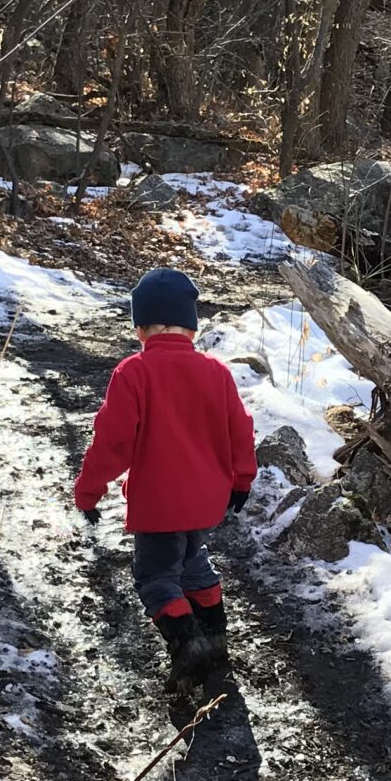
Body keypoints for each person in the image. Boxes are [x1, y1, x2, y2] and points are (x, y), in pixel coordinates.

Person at [73, 267, 257, 683]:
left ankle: (188, 647)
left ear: (141, 328)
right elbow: (241, 429)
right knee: (193, 565)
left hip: (158, 503)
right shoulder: (217, 372)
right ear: (191, 327)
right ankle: (215, 644)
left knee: (156, 578)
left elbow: (112, 443)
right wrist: (242, 480)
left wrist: (88, 491)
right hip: (206, 500)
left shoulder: (133, 373)